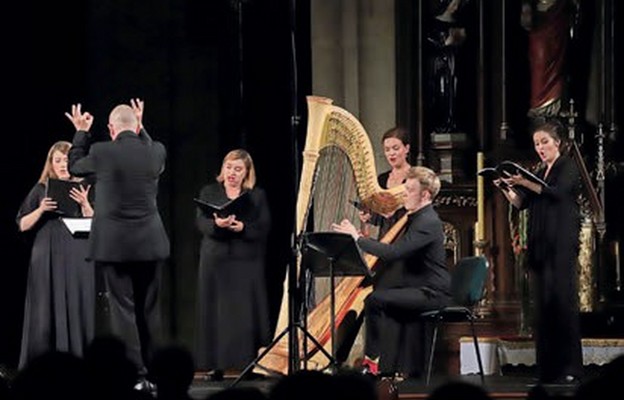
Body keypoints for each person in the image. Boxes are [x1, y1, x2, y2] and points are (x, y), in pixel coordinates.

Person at [65, 99, 170, 383]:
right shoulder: (156, 152)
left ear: (111, 129)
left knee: (123, 310)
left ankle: (136, 374)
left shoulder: (101, 152)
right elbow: (148, 147)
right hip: (150, 243)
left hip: (115, 246)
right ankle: (158, 373)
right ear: (137, 127)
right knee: (149, 309)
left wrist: (81, 133)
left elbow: (74, 167)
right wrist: (141, 126)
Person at [332, 166, 451, 378]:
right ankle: (390, 365)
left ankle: (372, 361)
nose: (404, 194)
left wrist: (357, 239)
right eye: (404, 189)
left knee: (375, 300)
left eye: (410, 190)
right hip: (417, 286)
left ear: (425, 195)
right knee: (382, 295)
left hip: (432, 292)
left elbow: (395, 252)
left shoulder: (427, 221)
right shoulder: (416, 217)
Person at [495, 119, 583, 384]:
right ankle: (547, 369)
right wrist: (509, 188)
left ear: (558, 143)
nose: (540, 148)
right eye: (536, 144)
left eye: (544, 142)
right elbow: (523, 203)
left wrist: (525, 180)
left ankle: (570, 368)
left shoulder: (567, 166)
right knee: (542, 310)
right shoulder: (540, 171)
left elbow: (557, 193)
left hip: (560, 247)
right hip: (541, 247)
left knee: (562, 306)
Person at [16, 140, 94, 369]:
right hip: (47, 254)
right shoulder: (41, 189)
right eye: (57, 160)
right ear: (50, 164)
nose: (62, 165)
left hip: (77, 254)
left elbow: (98, 225)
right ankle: (41, 366)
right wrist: (41, 209)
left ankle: (79, 364)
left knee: (77, 305)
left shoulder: (83, 187)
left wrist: (86, 206)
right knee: (45, 309)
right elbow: (21, 224)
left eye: (67, 160)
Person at [194, 149, 271, 378]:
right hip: (215, 261)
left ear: (246, 172)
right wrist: (217, 224)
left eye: (238, 169)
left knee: (243, 315)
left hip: (244, 261)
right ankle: (215, 365)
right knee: (215, 314)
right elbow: (200, 222)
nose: (232, 173)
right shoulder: (209, 191)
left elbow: (264, 227)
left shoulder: (256, 196)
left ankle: (246, 365)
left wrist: (243, 228)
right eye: (229, 167)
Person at [359, 126, 411, 242]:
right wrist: (367, 217)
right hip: (386, 237)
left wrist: (396, 207)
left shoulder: (415, 177)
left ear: (406, 149)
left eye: (395, 148)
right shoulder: (382, 179)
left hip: (409, 236)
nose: (391, 153)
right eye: (387, 150)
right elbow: (379, 218)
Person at [427, 0, 468, 133]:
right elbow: (430, 45)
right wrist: (446, 44)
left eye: (458, 4)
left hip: (454, 65)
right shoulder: (435, 24)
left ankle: (453, 122)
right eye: (454, 3)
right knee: (442, 94)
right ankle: (442, 124)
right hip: (441, 66)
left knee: (454, 93)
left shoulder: (458, 23)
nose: (456, 7)